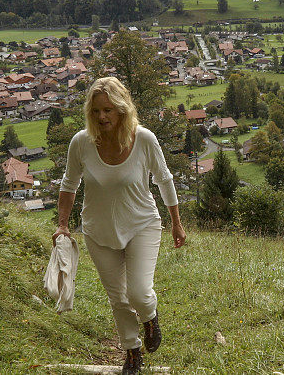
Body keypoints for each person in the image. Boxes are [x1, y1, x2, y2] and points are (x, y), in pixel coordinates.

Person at [53, 76, 186, 374]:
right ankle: (132, 351)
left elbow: (164, 180)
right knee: (119, 298)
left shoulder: (145, 139)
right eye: (97, 111)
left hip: (142, 224)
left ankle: (150, 317)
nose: (102, 117)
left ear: (122, 110)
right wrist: (63, 224)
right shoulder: (81, 143)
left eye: (109, 110)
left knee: (138, 292)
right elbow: (69, 185)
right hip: (98, 231)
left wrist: (176, 223)